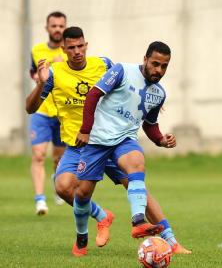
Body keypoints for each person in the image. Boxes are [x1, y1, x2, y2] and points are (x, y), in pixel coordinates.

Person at [26, 27, 191, 256]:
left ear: (86, 45)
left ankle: (170, 240)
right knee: (66, 188)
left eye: (80, 46)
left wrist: (150, 97)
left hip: (117, 141)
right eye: (71, 47)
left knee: (137, 180)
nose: (77, 51)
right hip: (83, 143)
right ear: (63, 49)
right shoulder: (54, 73)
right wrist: (40, 84)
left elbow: (131, 83)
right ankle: (100, 218)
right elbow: (30, 108)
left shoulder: (104, 65)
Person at [71, 41, 180, 257]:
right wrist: (85, 130)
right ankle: (81, 237)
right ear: (145, 59)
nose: (159, 70)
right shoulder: (121, 71)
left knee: (137, 162)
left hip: (124, 140)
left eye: (164, 66)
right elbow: (93, 95)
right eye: (155, 64)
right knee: (82, 193)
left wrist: (161, 140)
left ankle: (138, 221)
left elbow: (149, 124)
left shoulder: (159, 93)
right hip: (98, 140)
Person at [29, 11, 67, 215]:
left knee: (58, 160)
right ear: (47, 28)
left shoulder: (72, 51)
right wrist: (55, 64)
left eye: (61, 26)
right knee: (39, 154)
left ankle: (57, 186)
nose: (58, 29)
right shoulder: (37, 50)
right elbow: (36, 75)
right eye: (54, 26)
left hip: (62, 113)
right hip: (42, 110)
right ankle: (40, 200)